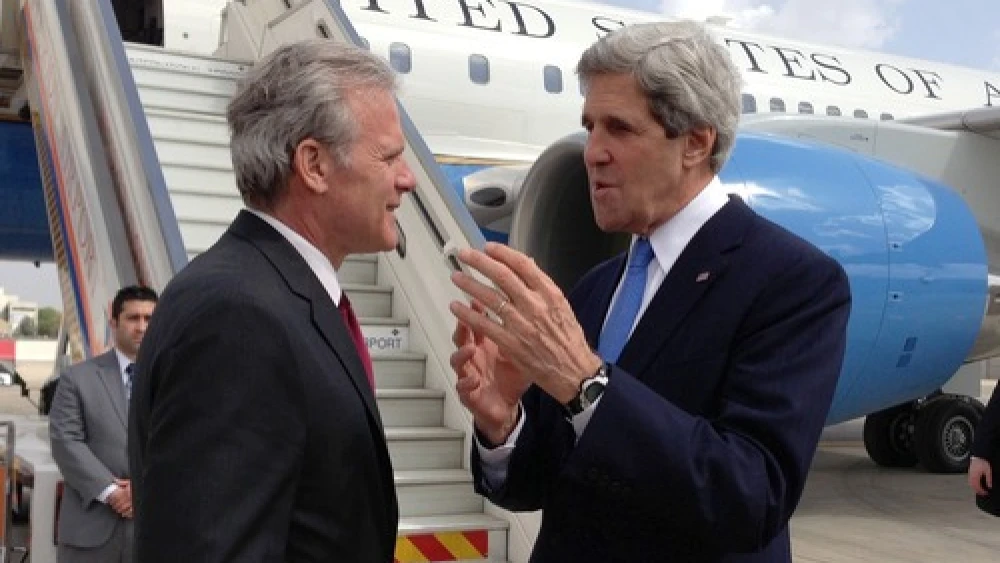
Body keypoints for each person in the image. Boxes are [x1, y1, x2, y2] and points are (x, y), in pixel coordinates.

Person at [448, 21, 852, 562]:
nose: (593, 152)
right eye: (590, 127)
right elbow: (543, 483)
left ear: (696, 142)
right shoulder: (597, 287)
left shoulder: (792, 281)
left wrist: (586, 385)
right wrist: (503, 425)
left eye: (619, 128)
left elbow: (751, 497)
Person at [128, 39, 414, 562]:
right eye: (389, 157)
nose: (407, 179)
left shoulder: (270, 295)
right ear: (314, 165)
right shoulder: (239, 318)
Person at [49, 285, 157, 563]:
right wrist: (112, 492)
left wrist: (142, 489)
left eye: (149, 319)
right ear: (113, 323)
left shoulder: (177, 382)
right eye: (133, 318)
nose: (142, 327)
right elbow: (66, 441)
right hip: (90, 533)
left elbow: (185, 443)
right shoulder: (78, 378)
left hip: (154, 531)